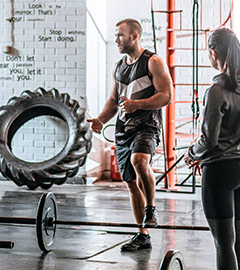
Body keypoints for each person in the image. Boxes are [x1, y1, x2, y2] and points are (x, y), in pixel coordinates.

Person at [87, 18, 173, 251]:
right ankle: (142, 234)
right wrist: (100, 119)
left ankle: (151, 207)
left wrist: (138, 105)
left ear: (134, 36)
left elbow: (166, 95)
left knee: (139, 160)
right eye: (116, 35)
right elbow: (114, 101)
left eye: (120, 35)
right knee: (130, 183)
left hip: (147, 125)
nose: (116, 39)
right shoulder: (119, 66)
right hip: (123, 130)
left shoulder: (153, 62)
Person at [184, 28, 240, 270]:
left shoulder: (216, 92)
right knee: (237, 239)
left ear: (213, 52)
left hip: (220, 172)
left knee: (223, 244)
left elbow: (209, 141)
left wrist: (191, 154)